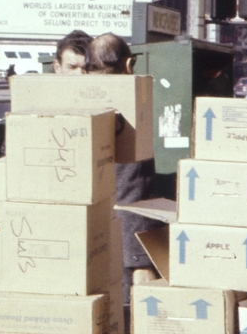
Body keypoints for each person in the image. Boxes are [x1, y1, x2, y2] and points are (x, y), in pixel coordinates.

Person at [83, 33, 156, 316]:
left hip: (85, 235)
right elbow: (133, 185)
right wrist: (140, 260)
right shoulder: (132, 104)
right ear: (129, 64)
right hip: (124, 237)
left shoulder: (73, 101)